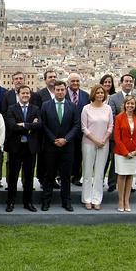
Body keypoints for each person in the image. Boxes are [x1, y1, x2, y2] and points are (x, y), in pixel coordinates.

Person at [40, 80, 80, 212]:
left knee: (66, 176)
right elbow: (43, 125)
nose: (60, 92)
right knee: (49, 175)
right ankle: (46, 201)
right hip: (51, 147)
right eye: (58, 90)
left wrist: (66, 139)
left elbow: (76, 125)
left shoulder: (72, 106)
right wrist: (54, 139)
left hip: (67, 147)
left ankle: (66, 202)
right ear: (54, 91)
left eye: (62, 90)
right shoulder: (46, 106)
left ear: (65, 90)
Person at [4, 85, 41, 212]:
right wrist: (31, 125)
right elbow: (12, 126)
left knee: (29, 176)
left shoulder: (35, 108)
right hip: (16, 147)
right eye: (23, 93)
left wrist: (24, 124)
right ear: (18, 95)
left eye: (27, 93)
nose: (25, 95)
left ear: (30, 95)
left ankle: (28, 202)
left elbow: (39, 125)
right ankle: (10, 202)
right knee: (13, 177)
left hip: (30, 148)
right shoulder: (11, 108)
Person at [106, 74, 136, 192]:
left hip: (134, 136)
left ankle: (129, 185)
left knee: (131, 161)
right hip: (118, 134)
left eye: (130, 81)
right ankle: (113, 183)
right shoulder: (114, 97)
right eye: (126, 81)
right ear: (121, 83)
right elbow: (112, 115)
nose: (128, 83)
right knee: (116, 161)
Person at [80, 85, 113, 210]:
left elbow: (110, 126)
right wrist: (95, 140)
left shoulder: (108, 108)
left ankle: (97, 199)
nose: (100, 95)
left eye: (102, 93)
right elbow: (84, 127)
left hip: (104, 144)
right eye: (98, 92)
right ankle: (87, 198)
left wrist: (103, 140)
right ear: (93, 94)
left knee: (99, 173)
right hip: (88, 143)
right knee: (88, 172)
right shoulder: (86, 108)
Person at [114, 96, 136, 212]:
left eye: (132, 104)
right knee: (122, 176)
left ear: (135, 105)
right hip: (122, 153)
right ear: (125, 105)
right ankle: (120, 200)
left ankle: (127, 200)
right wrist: (125, 152)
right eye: (128, 104)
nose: (130, 106)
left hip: (134, 153)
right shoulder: (118, 118)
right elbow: (117, 138)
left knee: (129, 176)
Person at [65, 73, 90, 187]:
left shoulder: (86, 95)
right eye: (73, 81)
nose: (75, 83)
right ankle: (63, 176)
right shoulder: (62, 93)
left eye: (77, 81)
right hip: (66, 130)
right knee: (65, 155)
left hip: (81, 131)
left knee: (79, 155)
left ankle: (76, 176)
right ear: (68, 83)